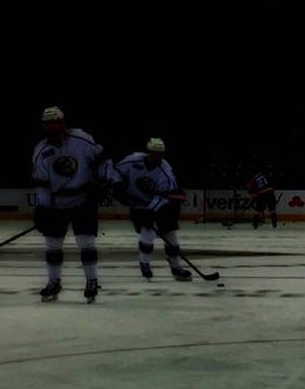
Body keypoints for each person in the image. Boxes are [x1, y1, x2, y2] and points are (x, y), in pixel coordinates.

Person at [30, 106, 106, 303]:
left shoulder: (81, 139)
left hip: (83, 200)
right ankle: (53, 281)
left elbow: (101, 160)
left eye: (56, 122)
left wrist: (106, 181)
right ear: (44, 126)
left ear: (63, 123)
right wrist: (44, 207)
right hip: (57, 204)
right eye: (49, 123)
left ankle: (91, 281)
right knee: (52, 245)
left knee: (86, 242)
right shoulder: (41, 151)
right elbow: (41, 183)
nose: (53, 126)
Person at [102, 137, 192, 282]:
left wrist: (150, 211)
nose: (157, 157)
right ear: (148, 152)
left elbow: (164, 196)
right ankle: (145, 264)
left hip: (162, 205)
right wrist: (117, 184)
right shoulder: (132, 160)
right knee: (147, 233)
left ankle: (176, 267)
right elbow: (116, 171)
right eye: (155, 153)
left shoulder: (165, 172)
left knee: (170, 236)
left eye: (160, 154)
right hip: (138, 204)